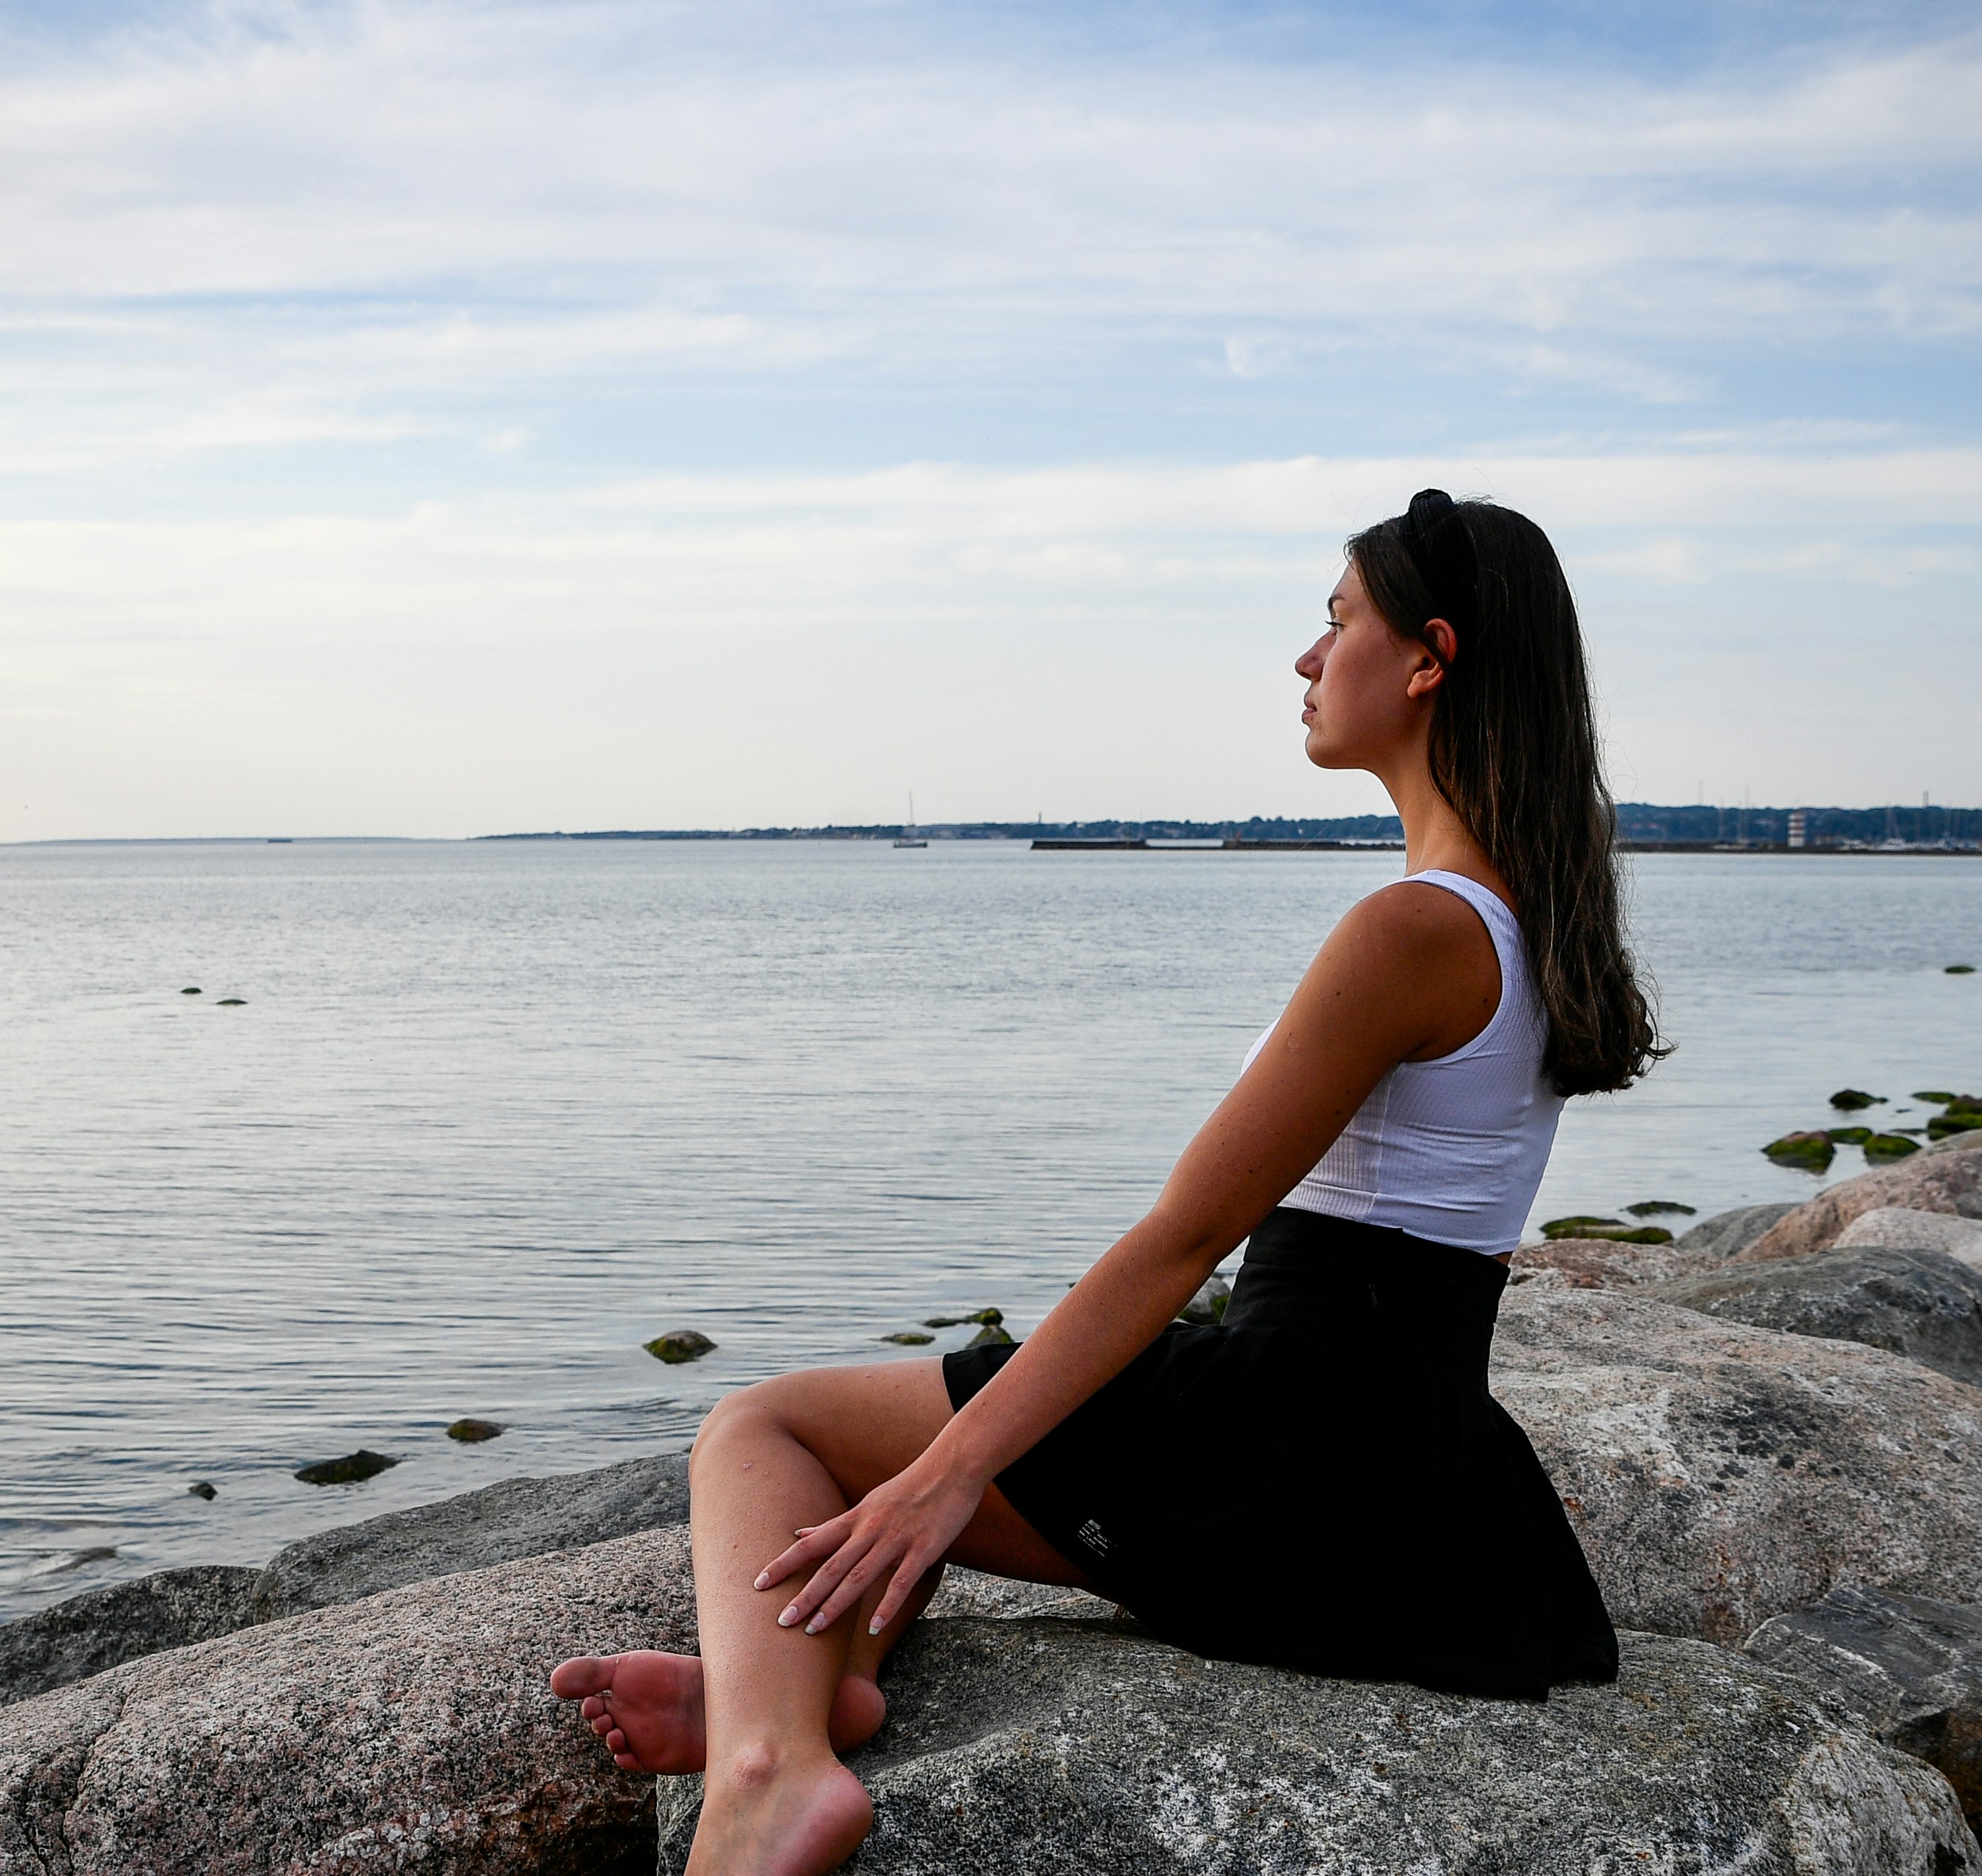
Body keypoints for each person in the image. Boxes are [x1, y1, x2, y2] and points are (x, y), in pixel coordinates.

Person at [551, 490, 1664, 1875]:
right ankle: (807, 1690)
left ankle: (772, 1779)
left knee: (768, 1431)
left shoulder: (1411, 930)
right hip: (1407, 1463)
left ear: (1430, 657)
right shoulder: (1525, 919)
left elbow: (1187, 1234)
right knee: (930, 1437)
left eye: (1335, 626)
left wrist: (951, 1474)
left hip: (1286, 1449)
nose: (1308, 663)